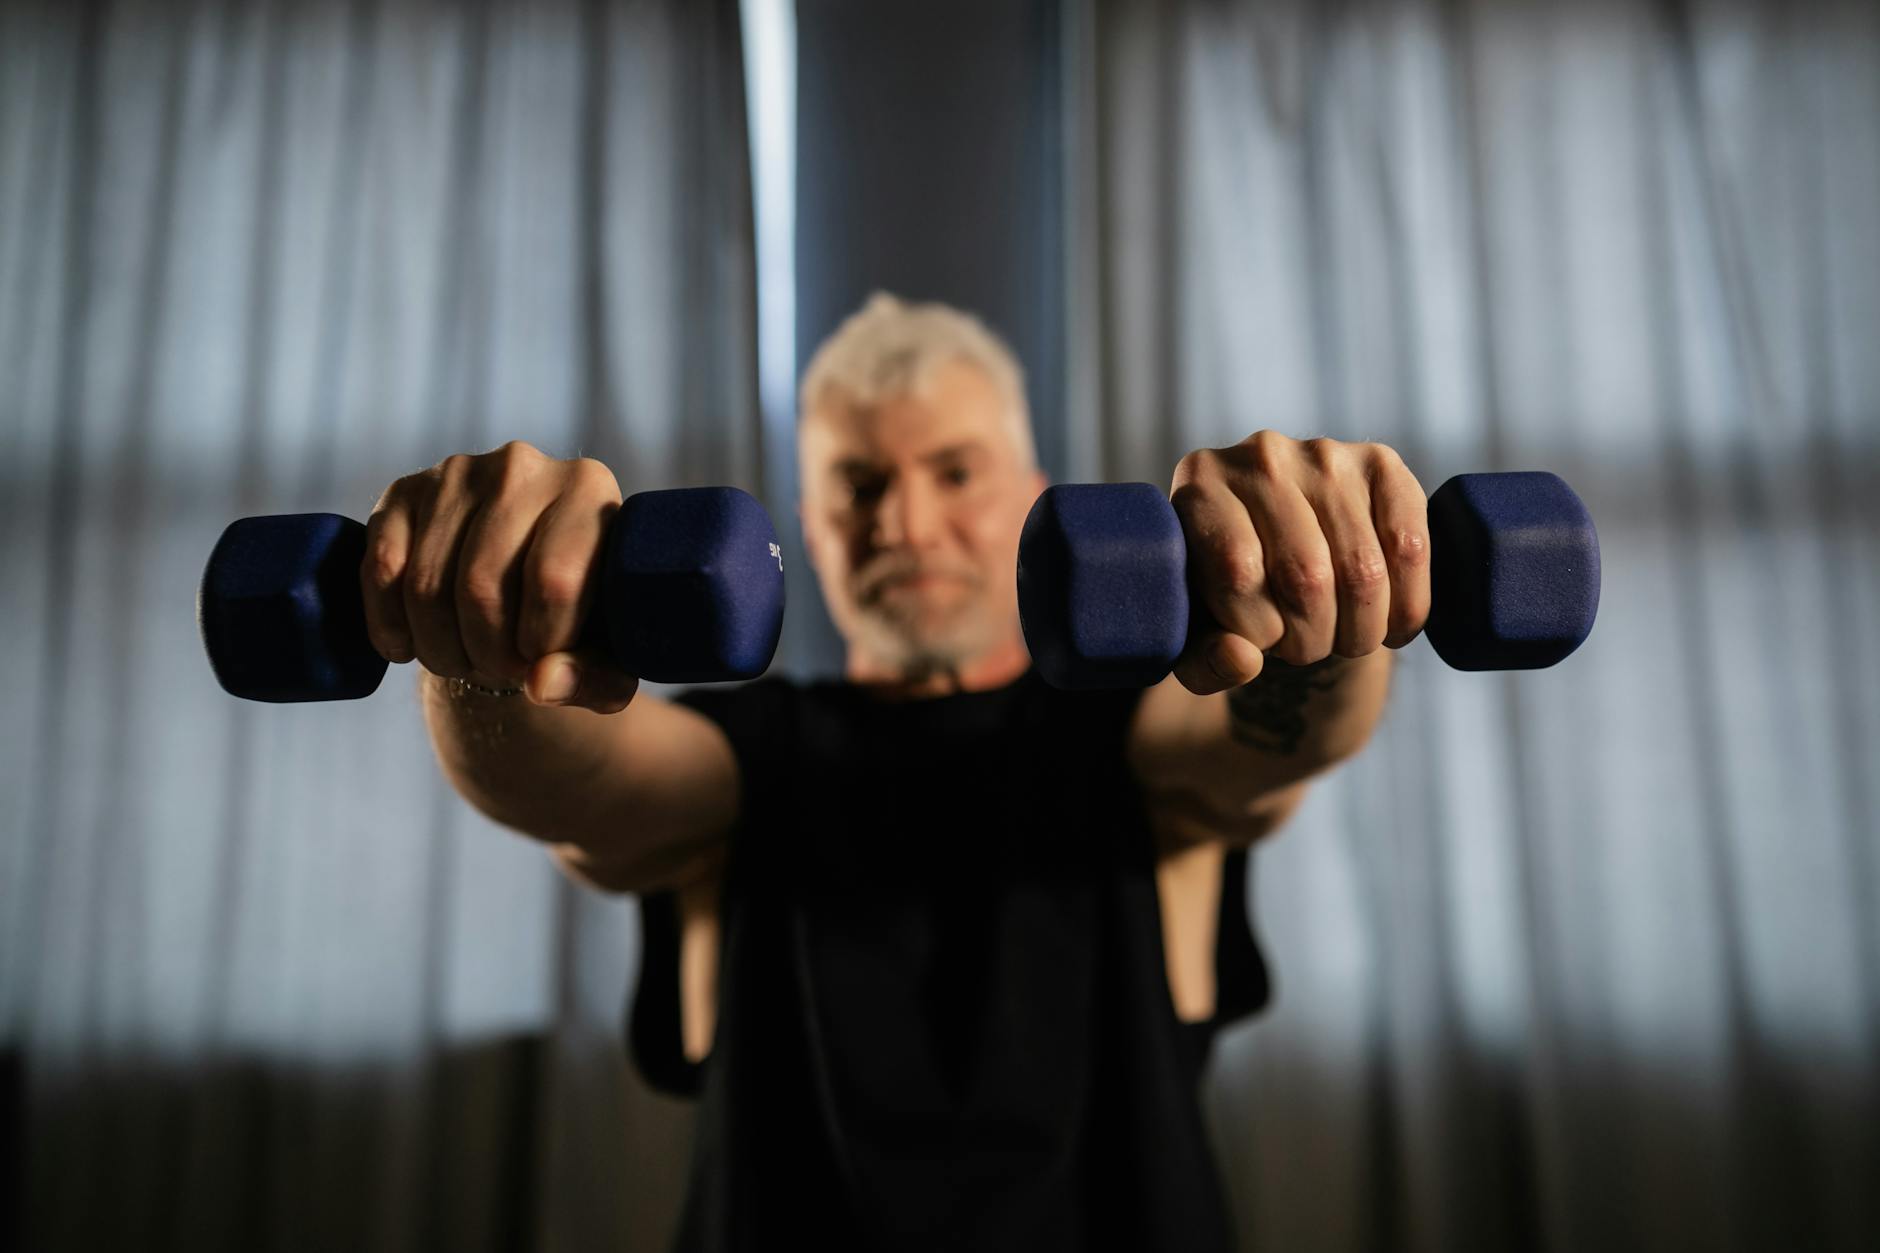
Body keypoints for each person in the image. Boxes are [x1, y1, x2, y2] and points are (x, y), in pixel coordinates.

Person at [367, 293, 1430, 1251]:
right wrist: (487, 657)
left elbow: (1274, 739)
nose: (903, 523)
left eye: (953, 473)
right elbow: (575, 786)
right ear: (813, 537)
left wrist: (1323, 615)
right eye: (857, 483)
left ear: (1033, 494)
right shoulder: (744, 753)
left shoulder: (1132, 738)